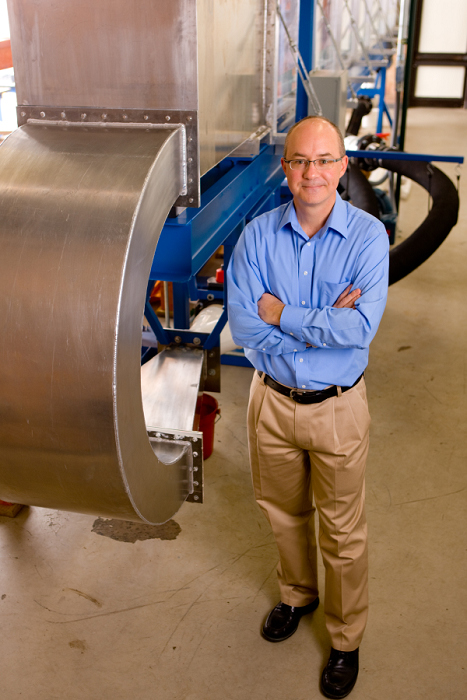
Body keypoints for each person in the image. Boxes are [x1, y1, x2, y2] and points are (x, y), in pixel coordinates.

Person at [226, 116, 389, 699]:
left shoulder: (368, 238)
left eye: (324, 160)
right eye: (300, 160)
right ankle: (297, 595)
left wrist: (283, 313)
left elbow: (360, 329)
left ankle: (345, 637)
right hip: (270, 402)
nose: (311, 172)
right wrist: (322, 324)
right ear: (285, 168)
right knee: (283, 513)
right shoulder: (256, 238)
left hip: (337, 408)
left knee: (342, 532)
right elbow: (246, 326)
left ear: (343, 166)